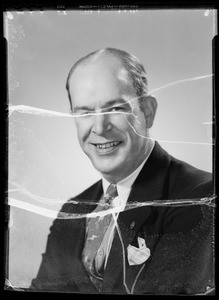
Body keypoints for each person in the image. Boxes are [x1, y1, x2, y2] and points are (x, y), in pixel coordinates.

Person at [30, 48, 214, 295]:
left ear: (147, 112)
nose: (99, 128)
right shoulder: (72, 210)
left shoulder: (200, 198)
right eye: (84, 113)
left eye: (115, 108)